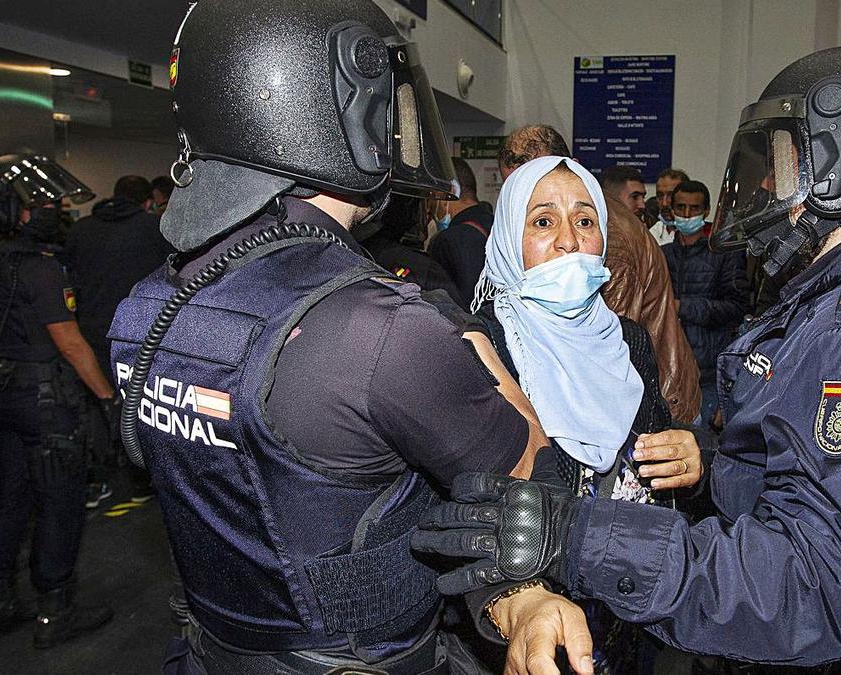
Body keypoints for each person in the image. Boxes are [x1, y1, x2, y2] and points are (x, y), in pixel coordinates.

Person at [415, 45, 841, 673]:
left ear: (840, 164)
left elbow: (814, 586)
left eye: (783, 162)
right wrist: (713, 467)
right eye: (543, 221)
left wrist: (574, 533)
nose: (766, 184)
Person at [107, 2, 574, 672]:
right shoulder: (379, 327)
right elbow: (532, 475)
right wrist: (469, 340)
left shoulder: (143, 308)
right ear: (349, 104)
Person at [471, 155, 709, 672]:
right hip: (532, 628)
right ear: (509, 238)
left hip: (630, 617)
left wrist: (692, 462)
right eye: (542, 221)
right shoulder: (482, 345)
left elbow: (656, 470)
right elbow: (460, 506)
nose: (568, 241)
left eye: (584, 220)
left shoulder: (628, 341)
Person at [0, 154, 116, 647]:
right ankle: (54, 610)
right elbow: (70, 342)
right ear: (16, 211)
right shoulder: (41, 271)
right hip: (44, 403)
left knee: (5, 500)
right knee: (59, 505)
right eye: (41, 203)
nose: (52, 210)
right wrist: (107, 398)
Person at [498, 125, 702, 425]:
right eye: (514, 187)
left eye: (538, 179)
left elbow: (605, 354)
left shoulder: (605, 240)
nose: (523, 196)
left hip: (656, 405)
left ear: (573, 169)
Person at [64, 174, 173, 505]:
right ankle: (140, 482)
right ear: (146, 201)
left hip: (90, 329)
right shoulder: (155, 229)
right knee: (140, 404)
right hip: (141, 332)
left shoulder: (80, 230)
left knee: (95, 407)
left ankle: (97, 480)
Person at [660, 179, 750, 425]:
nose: (687, 215)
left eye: (694, 209)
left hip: (707, 372)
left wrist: (682, 307)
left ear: (706, 211)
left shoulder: (724, 254)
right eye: (680, 208)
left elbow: (736, 307)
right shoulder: (662, 255)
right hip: (668, 369)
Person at [360, 193, 465, 305]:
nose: (429, 217)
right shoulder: (423, 268)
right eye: (427, 210)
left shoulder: (354, 250)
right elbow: (458, 319)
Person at [427, 157, 494, 306]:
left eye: (431, 196)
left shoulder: (448, 241)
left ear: (449, 191)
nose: (429, 209)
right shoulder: (498, 226)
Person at [648, 168, 688, 246]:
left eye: (671, 195)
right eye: (660, 195)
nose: (664, 203)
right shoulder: (653, 233)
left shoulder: (700, 233)